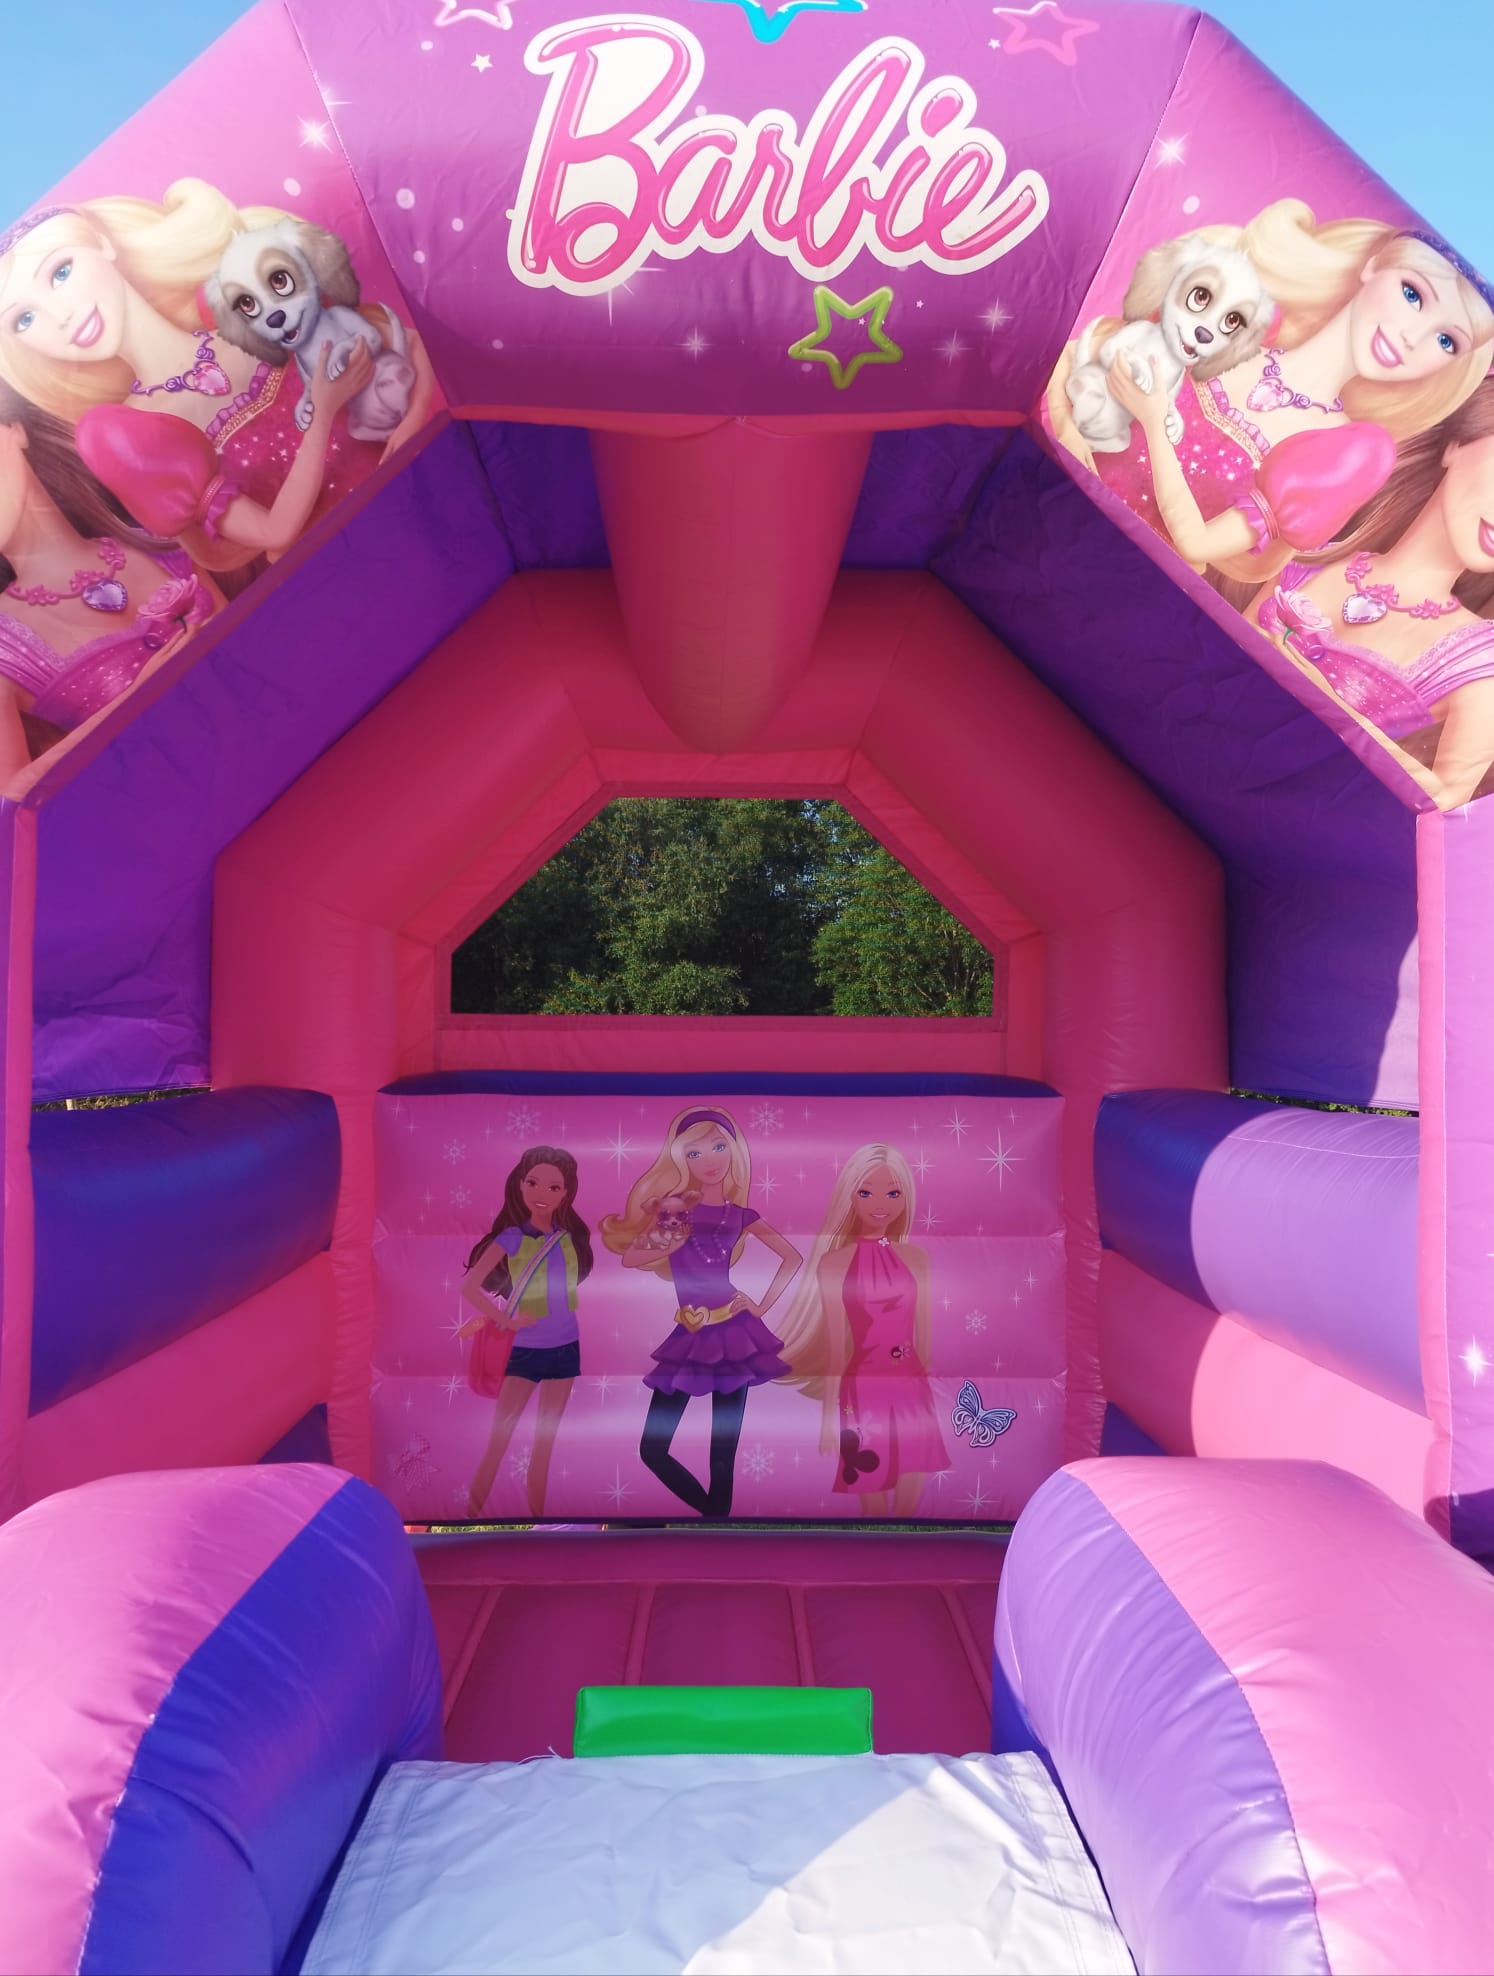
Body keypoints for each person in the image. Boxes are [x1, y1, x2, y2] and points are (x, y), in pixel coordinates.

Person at [1050, 205, 1494, 582]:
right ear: (1374, 265)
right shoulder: (1237, 320)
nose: (1413, 337)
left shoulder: (1346, 452)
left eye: (1446, 341)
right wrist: (1068, 434)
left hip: (1117, 577)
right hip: (1048, 488)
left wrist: (1153, 421)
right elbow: (1074, 362)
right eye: (1413, 294)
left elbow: (1194, 544)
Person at [0, 185, 433, 571]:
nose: (61, 316)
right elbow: (273, 533)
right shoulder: (126, 435)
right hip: (347, 569)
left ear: (101, 242)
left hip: (425, 489)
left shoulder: (244, 305)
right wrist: (322, 412)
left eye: (61, 272)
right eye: (24, 319)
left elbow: (411, 343)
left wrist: (413, 422)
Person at [1251, 379, 1494, 811]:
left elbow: (1443, 805)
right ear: (1457, 443)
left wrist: (1328, 704)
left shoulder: (1479, 660)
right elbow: (1218, 647)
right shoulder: (1311, 556)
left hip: (1288, 812)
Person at [0, 384, 220, 778]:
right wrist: (133, 701)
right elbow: (11, 797)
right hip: (187, 799)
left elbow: (258, 644)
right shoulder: (6, 645)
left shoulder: (160, 544)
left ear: (13, 426)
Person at [601, 1106, 801, 1519]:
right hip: (691, 1335)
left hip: (734, 1333)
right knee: (653, 1448)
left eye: (718, 1147)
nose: (710, 1159)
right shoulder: (676, 1213)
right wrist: (667, 1229)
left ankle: (714, 1528)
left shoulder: (740, 1215)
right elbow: (631, 1257)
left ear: (734, 1151)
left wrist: (760, 1306)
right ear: (681, 1159)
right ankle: (711, 1518)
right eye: (695, 1152)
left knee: (722, 1453)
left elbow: (792, 1257)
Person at [774, 1143, 949, 1518]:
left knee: (909, 1496)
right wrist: (828, 1418)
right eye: (866, 1193)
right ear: (850, 1197)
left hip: (911, 1387)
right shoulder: (835, 1264)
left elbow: (925, 1342)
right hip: (862, 1389)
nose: (880, 1204)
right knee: (870, 1489)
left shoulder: (916, 1259)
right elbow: (837, 1349)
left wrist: (923, 1392)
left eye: (893, 1193)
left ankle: (903, 1551)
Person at [458, 1145, 592, 1519]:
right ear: (520, 1185)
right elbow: (469, 1287)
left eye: (554, 1187)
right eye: (533, 1183)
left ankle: (541, 1525)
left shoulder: (566, 1238)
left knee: (544, 1447)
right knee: (499, 1441)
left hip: (566, 1345)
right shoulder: (512, 1237)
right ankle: (469, 1514)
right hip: (526, 1348)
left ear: (565, 1193)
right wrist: (507, 1320)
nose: (542, 1194)